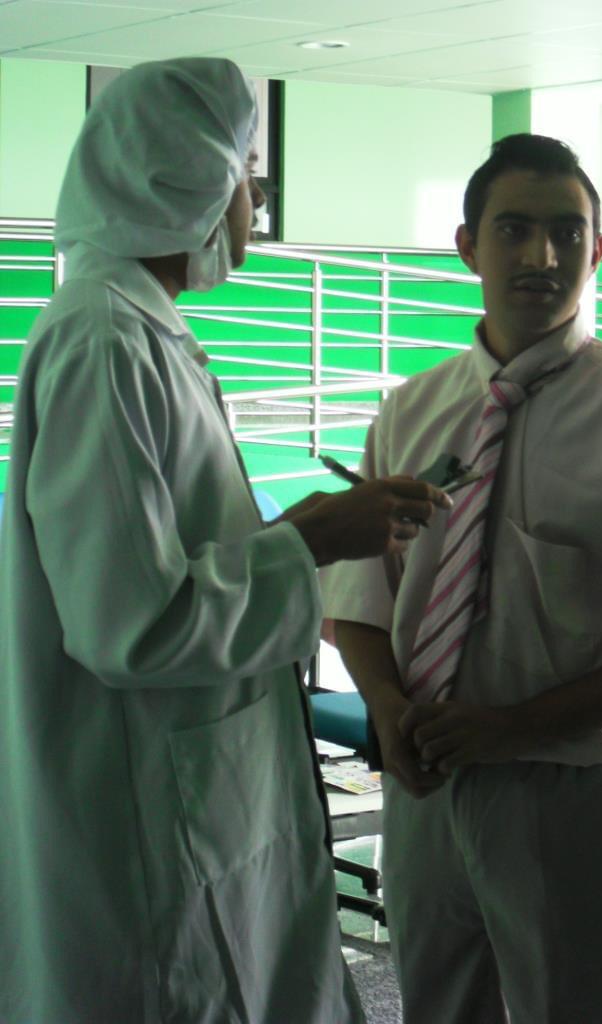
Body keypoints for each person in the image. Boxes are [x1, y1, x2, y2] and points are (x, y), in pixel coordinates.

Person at [0, 58, 451, 1024]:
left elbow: (161, 563)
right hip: (148, 815)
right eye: (250, 179)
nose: (254, 205)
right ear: (191, 182)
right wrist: (309, 544)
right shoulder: (105, 341)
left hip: (198, 791)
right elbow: (129, 626)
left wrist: (298, 534)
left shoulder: (141, 330)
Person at [321, 133, 602, 1023]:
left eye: (567, 232)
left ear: (597, 251)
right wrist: (387, 710)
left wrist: (508, 728)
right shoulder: (411, 408)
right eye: (513, 229)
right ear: (467, 246)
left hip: (573, 789)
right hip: (428, 785)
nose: (541, 256)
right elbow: (360, 602)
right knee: (440, 1007)